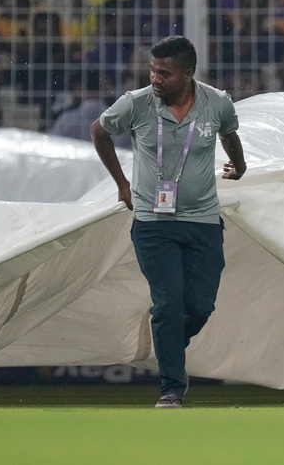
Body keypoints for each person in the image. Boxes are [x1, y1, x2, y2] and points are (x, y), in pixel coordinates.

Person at [90, 35, 247, 408]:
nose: (154, 78)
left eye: (164, 73)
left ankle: (166, 341)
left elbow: (230, 133)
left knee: (199, 307)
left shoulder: (217, 103)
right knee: (168, 303)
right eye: (152, 70)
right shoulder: (136, 104)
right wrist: (121, 182)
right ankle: (171, 387)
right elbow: (99, 132)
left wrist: (239, 166)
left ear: (188, 74)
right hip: (152, 221)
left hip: (204, 219)